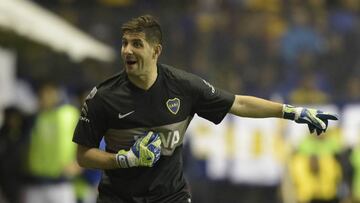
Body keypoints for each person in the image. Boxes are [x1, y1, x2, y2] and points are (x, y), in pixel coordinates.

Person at [72, 15, 338, 203]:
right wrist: (122, 159)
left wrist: (292, 112)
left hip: (170, 196)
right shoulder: (103, 97)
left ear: (156, 51)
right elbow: (83, 155)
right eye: (124, 43)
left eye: (137, 44)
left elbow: (239, 103)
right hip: (118, 198)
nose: (127, 50)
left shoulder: (183, 86)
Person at [25, 82, 80, 203]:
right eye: (42, 94)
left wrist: (79, 164)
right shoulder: (34, 117)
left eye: (48, 93)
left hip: (61, 183)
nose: (45, 97)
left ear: (56, 93)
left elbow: (88, 140)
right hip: (35, 183)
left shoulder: (70, 113)